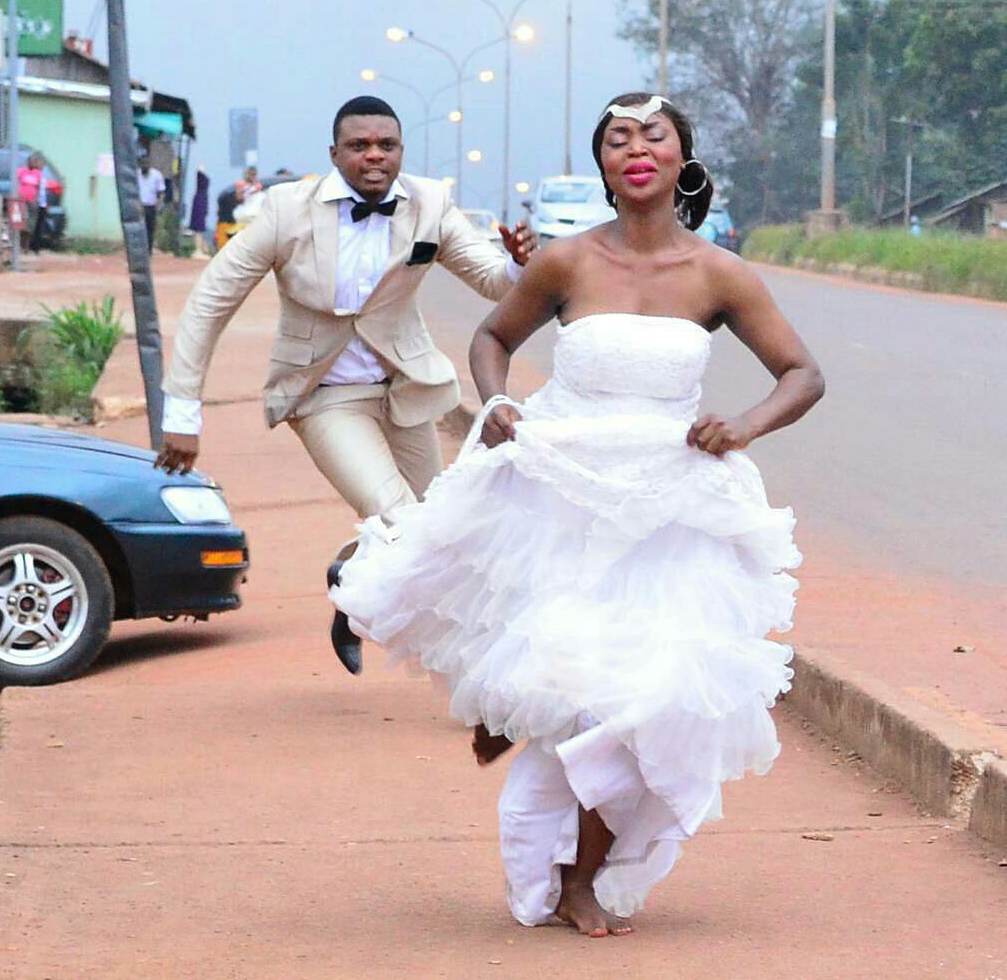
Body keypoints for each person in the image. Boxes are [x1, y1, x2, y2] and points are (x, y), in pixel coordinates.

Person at [331, 92, 824, 938]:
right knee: (574, 682)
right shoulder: (566, 261)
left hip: (670, 509)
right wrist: (499, 403)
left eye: (653, 135)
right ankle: (532, 775)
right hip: (559, 493)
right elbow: (492, 338)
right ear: (602, 164)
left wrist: (742, 426)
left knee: (643, 697)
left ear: (682, 158)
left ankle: (582, 872)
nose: (637, 149)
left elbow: (802, 374)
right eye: (618, 138)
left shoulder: (720, 273)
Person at [155, 95, 536, 674]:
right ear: (335, 154)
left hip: (405, 390)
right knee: (402, 522)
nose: (374, 156)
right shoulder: (287, 211)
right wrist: (182, 411)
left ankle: (351, 575)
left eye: (387, 145)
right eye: (360, 146)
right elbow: (212, 299)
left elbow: (490, 280)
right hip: (324, 396)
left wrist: (515, 264)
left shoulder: (430, 203)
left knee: (444, 530)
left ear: (401, 150)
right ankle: (393, 618)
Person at [138, 154, 166, 250]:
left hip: (151, 207)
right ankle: (139, 249)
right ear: (140, 164)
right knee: (139, 230)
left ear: (150, 164)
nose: (145, 165)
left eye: (147, 163)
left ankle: (148, 251)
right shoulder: (136, 175)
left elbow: (161, 192)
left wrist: (158, 206)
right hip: (139, 206)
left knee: (150, 230)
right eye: (143, 164)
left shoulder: (157, 175)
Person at [188, 165, 211, 256]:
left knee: (199, 230)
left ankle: (201, 248)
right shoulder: (200, 179)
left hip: (201, 204)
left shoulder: (203, 193)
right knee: (198, 229)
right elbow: (199, 174)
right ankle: (198, 249)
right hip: (200, 204)